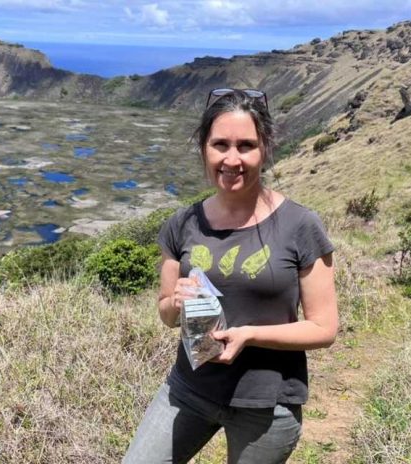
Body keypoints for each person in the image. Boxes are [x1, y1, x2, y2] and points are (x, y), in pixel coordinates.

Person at [123, 88, 338, 464]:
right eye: (220, 144)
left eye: (246, 145)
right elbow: (165, 313)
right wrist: (175, 303)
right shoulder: (181, 224)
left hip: (267, 405)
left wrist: (250, 335)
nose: (232, 159)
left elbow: (323, 328)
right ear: (204, 148)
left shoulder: (300, 225)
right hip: (188, 389)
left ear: (265, 149)